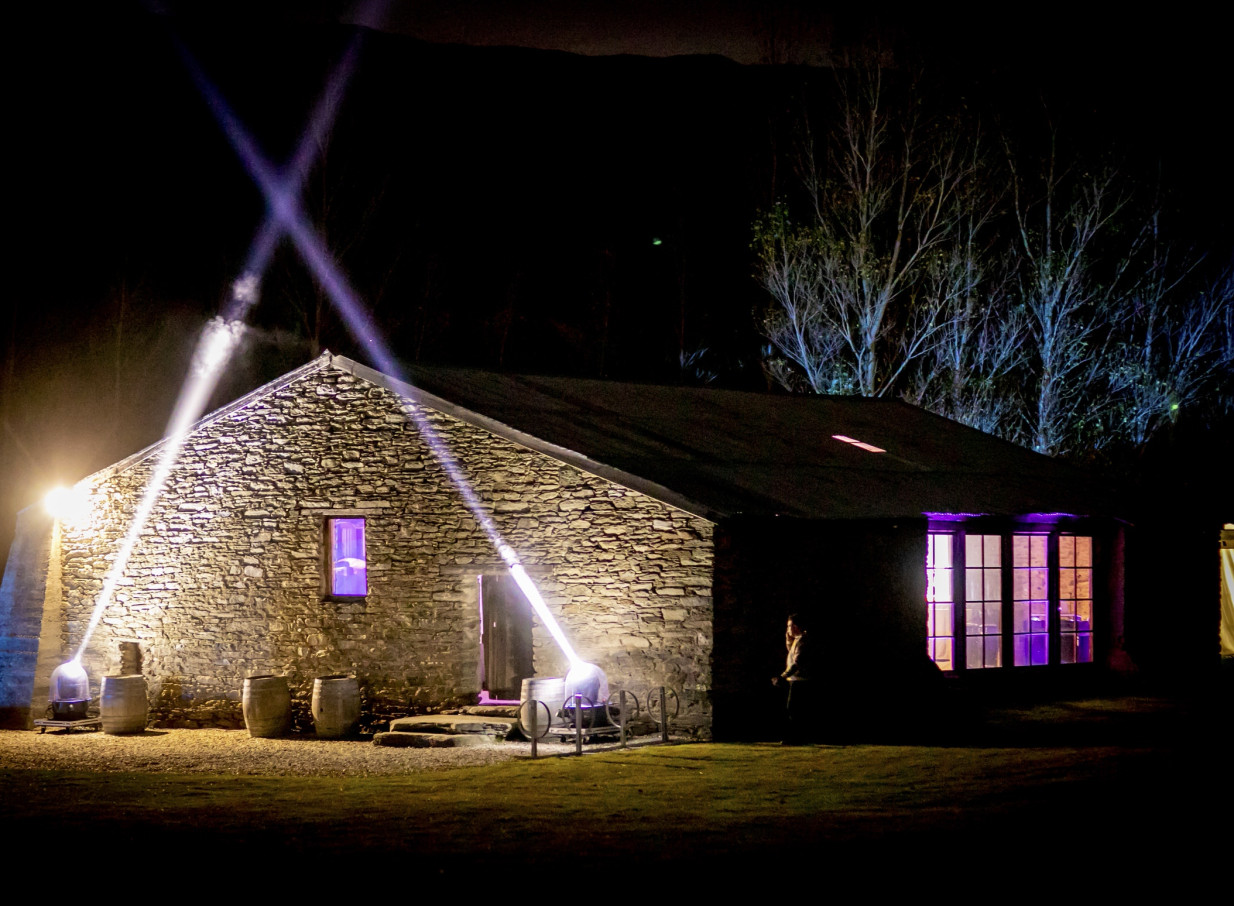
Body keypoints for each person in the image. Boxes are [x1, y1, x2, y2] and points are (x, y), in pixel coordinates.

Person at [772, 613, 812, 743]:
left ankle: (795, 737)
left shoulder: (803, 641)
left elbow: (797, 662)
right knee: (792, 709)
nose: (788, 629)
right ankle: (794, 737)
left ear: (796, 626)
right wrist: (788, 639)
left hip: (799, 680)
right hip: (795, 680)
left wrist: (783, 676)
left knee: (793, 709)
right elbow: (791, 652)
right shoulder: (799, 640)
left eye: (789, 626)